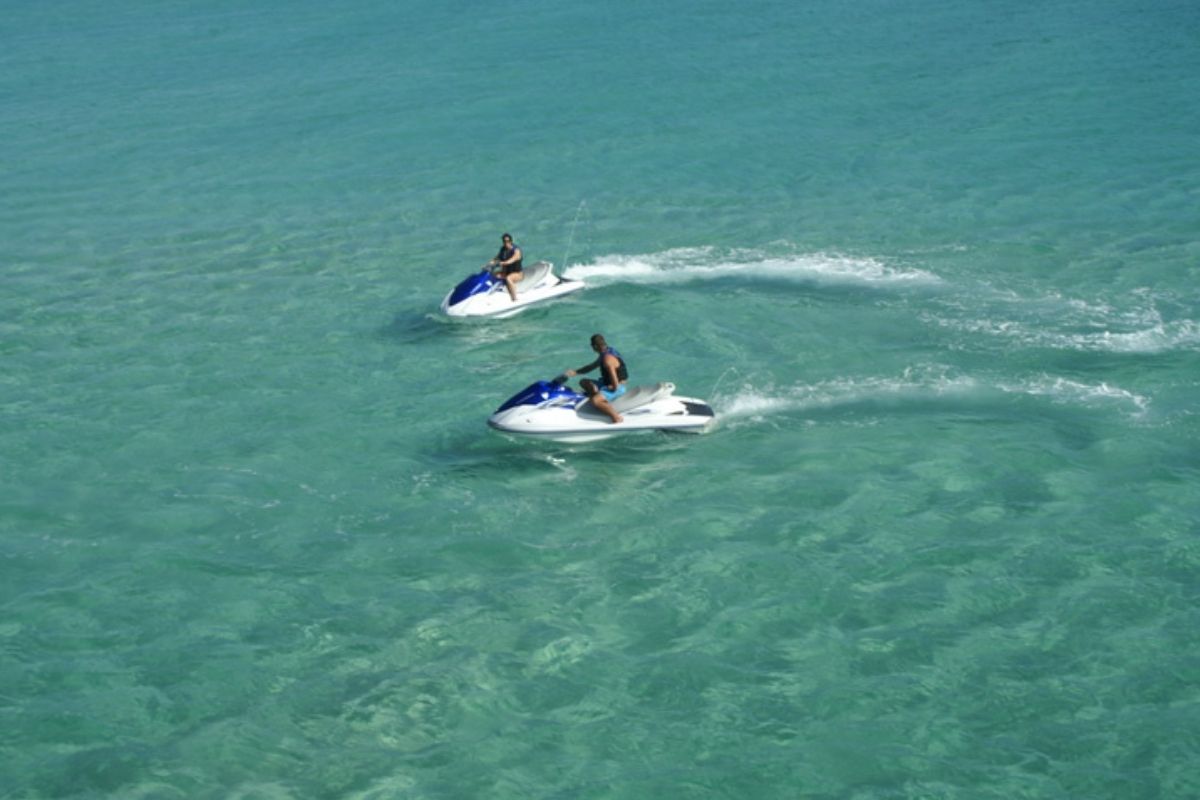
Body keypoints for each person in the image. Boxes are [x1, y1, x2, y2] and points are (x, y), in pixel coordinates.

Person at [563, 333, 627, 424]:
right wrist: (575, 372)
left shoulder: (608, 359)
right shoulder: (606, 352)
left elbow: (614, 379)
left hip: (617, 386)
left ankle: (616, 417)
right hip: (606, 382)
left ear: (595, 346)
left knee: (595, 401)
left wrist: (613, 387)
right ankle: (596, 393)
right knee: (583, 382)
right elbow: (591, 367)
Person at [486, 232, 523, 302]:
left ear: (511, 241)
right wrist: (488, 265)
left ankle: (514, 299)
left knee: (509, 279)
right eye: (504, 241)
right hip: (506, 272)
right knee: (493, 275)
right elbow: (496, 258)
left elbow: (511, 260)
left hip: (517, 274)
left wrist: (502, 263)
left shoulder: (516, 251)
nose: (506, 243)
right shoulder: (503, 250)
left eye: (508, 241)